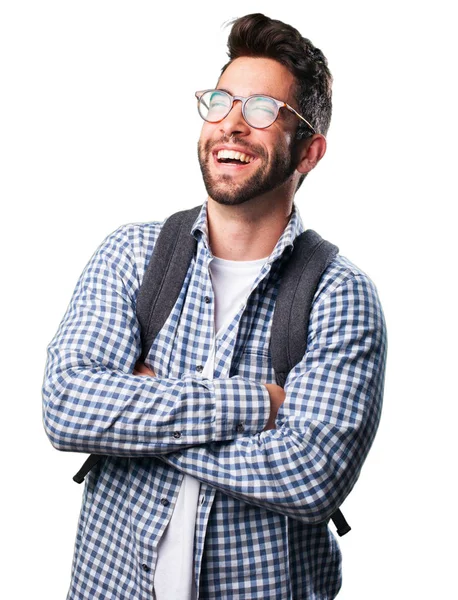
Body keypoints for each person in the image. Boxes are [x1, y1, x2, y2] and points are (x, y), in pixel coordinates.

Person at [42, 13, 387, 600]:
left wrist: (134, 423)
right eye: (222, 101)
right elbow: (68, 408)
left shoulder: (339, 293)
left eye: (261, 111)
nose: (231, 125)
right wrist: (257, 404)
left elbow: (310, 475)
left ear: (309, 151)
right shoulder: (132, 254)